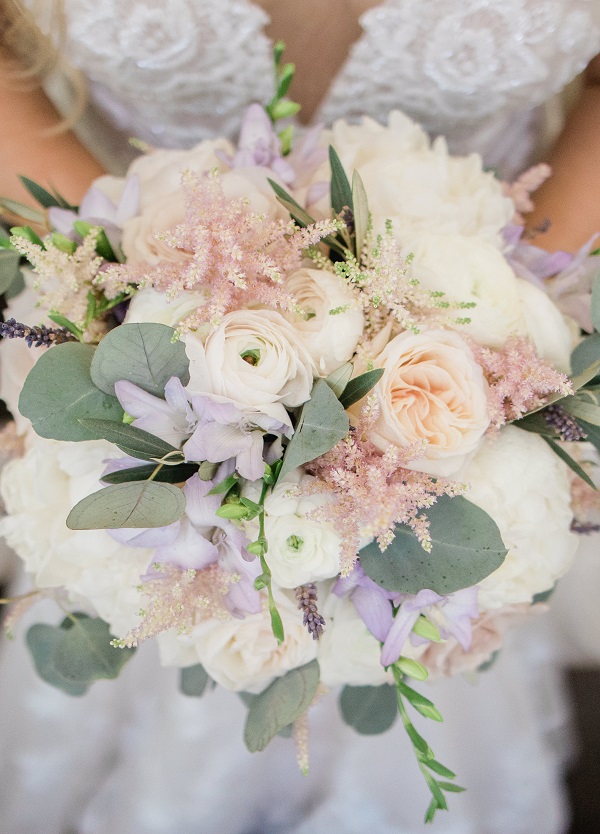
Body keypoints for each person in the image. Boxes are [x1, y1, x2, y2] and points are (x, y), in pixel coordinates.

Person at [0, 2, 599, 833]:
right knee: (150, 626)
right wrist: (126, 292)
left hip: (481, 350)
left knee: (434, 620)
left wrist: (500, 330)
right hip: (148, 345)